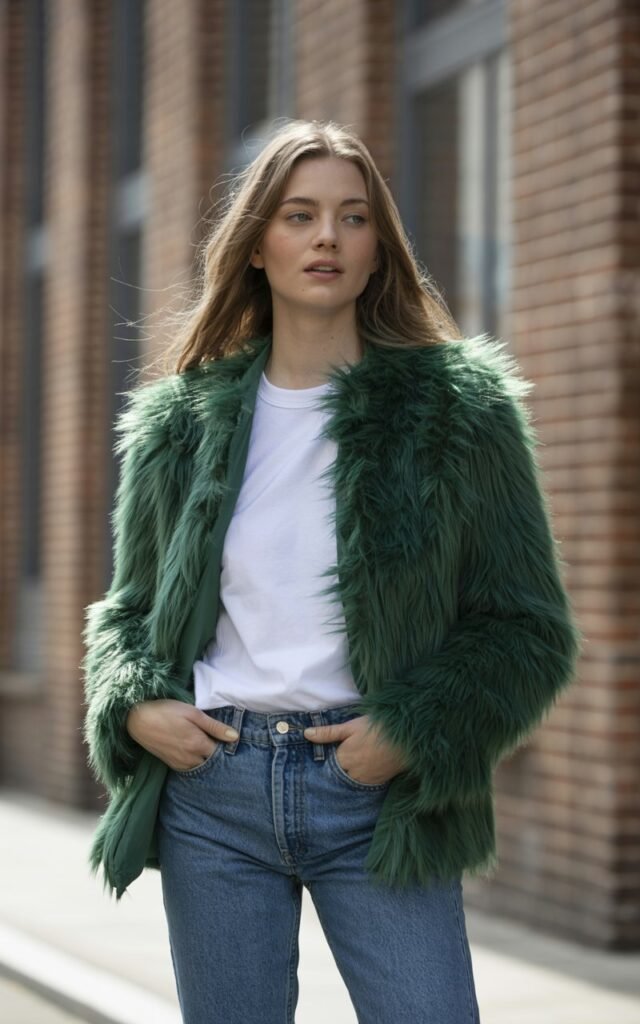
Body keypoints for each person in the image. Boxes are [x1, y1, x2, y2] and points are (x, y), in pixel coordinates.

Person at [81, 119, 582, 1024]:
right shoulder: (180, 425)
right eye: (299, 215)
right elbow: (128, 613)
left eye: (353, 219)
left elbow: (526, 627)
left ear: (379, 250)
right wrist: (133, 704)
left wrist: (411, 730)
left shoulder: (460, 413)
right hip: (214, 791)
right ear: (257, 249)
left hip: (376, 791)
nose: (326, 238)